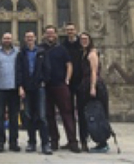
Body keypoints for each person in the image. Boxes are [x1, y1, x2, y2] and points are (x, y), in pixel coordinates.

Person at [40, 25, 81, 153]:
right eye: (48, 33)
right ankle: (54, 141)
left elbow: (69, 64)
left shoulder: (62, 49)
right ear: (44, 35)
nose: (50, 35)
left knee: (67, 113)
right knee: (49, 115)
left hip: (60, 84)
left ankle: (72, 141)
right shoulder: (41, 49)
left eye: (52, 33)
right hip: (46, 86)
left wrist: (67, 79)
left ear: (56, 34)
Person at [16, 30, 52, 155]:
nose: (30, 39)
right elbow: (19, 71)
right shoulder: (21, 54)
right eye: (27, 37)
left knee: (42, 116)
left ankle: (45, 143)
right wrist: (20, 86)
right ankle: (31, 142)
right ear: (25, 39)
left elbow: (47, 68)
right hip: (26, 88)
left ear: (35, 38)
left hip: (39, 87)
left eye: (31, 37)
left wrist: (44, 81)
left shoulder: (42, 52)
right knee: (28, 116)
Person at [78, 32, 109, 153]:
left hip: (94, 86)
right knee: (88, 114)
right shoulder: (84, 53)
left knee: (97, 114)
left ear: (90, 40)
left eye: (86, 39)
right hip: (85, 86)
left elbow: (94, 72)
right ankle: (92, 141)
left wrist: (93, 87)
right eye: (82, 39)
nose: (84, 41)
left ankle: (102, 143)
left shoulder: (92, 53)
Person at [0, 32, 20, 153]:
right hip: (0, 88)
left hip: (14, 89)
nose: (7, 40)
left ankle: (13, 142)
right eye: (5, 38)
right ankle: (0, 142)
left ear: (12, 40)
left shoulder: (18, 52)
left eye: (9, 38)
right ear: (1, 40)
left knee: (14, 117)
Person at [61, 22, 83, 150]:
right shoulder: (63, 45)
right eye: (68, 30)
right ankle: (72, 140)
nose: (70, 31)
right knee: (68, 111)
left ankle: (84, 139)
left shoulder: (82, 43)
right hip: (67, 82)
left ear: (76, 30)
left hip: (81, 82)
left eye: (72, 29)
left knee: (82, 111)